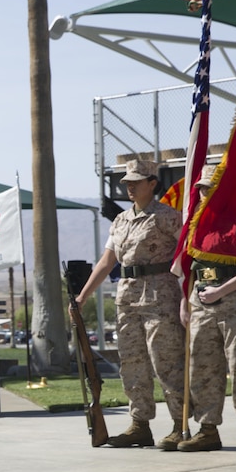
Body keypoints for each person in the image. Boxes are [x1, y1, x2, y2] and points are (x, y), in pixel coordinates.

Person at [71, 159, 186, 449]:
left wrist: (189, 293)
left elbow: (187, 253)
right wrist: (82, 296)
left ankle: (179, 424)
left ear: (152, 184)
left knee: (166, 361)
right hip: (128, 299)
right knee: (132, 363)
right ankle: (140, 424)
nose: (130, 187)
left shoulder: (167, 216)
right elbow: (107, 260)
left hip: (160, 296)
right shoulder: (121, 221)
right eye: (127, 183)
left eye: (136, 182)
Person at [178, 164, 236, 455]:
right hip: (201, 304)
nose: (205, 194)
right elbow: (189, 268)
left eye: (211, 188)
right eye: (202, 189)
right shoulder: (195, 225)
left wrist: (222, 291)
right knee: (203, 367)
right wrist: (185, 301)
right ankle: (207, 429)